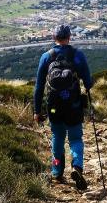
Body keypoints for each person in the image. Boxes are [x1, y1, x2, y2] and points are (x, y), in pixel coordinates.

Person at [33, 24, 92, 190]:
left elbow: (38, 87)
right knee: (75, 138)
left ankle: (57, 172)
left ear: (54, 38)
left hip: (54, 107)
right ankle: (77, 166)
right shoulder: (77, 55)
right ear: (69, 37)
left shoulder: (46, 57)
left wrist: (37, 111)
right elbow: (88, 82)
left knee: (57, 137)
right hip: (73, 105)